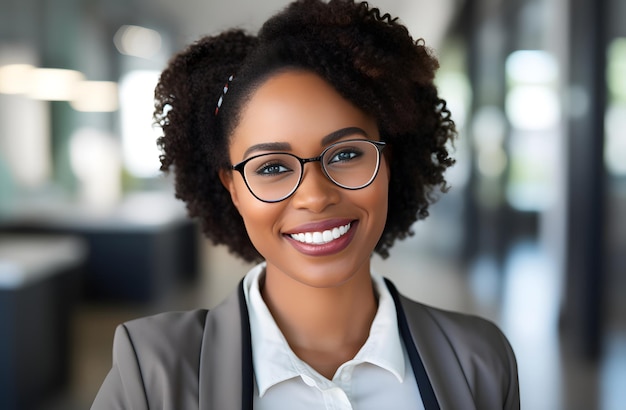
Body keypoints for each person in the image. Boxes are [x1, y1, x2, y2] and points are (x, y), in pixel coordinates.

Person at [92, 0, 520, 408]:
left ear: (388, 160)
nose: (315, 196)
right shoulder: (151, 373)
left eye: (347, 154)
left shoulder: (479, 360)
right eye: (272, 167)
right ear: (232, 189)